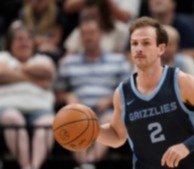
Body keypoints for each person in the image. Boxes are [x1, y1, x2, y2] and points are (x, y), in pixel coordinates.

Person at [95, 17, 194, 169]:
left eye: (146, 43)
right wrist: (92, 130)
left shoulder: (182, 82)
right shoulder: (122, 93)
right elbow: (117, 136)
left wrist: (186, 146)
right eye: (134, 43)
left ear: (161, 48)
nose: (139, 48)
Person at [56, 18, 131, 169]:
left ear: (101, 35)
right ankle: (86, 164)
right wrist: (68, 97)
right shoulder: (68, 62)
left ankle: (88, 163)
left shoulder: (118, 61)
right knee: (73, 120)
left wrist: (110, 100)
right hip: (77, 110)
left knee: (110, 118)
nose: (88, 37)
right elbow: (57, 93)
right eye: (84, 34)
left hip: (107, 110)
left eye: (92, 33)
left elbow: (129, 92)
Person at [0, 25, 55, 169]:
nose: (23, 42)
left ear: (33, 43)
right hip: (8, 107)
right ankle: (25, 166)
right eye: (19, 39)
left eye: (27, 39)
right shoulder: (3, 57)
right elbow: (1, 73)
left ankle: (34, 166)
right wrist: (36, 79)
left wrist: (15, 70)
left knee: (49, 123)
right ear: (10, 44)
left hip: (41, 109)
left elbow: (48, 72)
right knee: (12, 119)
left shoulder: (43, 59)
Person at [64, 0, 129, 55]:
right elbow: (68, 56)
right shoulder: (79, 31)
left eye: (94, 16)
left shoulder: (120, 30)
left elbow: (122, 57)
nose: (91, 20)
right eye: (89, 16)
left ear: (104, 14)